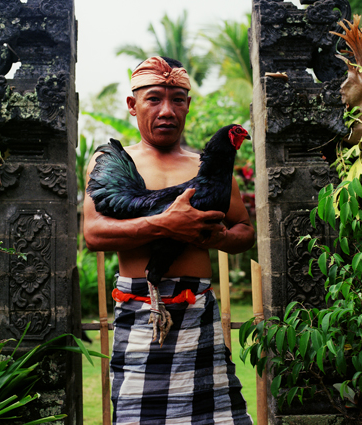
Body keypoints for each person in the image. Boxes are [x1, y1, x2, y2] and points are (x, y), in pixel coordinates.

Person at [84, 56, 255, 425]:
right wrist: (165, 225)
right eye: (154, 98)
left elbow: (244, 230)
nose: (167, 110)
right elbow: (93, 233)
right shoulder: (113, 161)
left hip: (198, 310)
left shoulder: (208, 167)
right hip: (142, 310)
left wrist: (220, 235)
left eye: (177, 99)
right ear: (132, 105)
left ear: (188, 105)